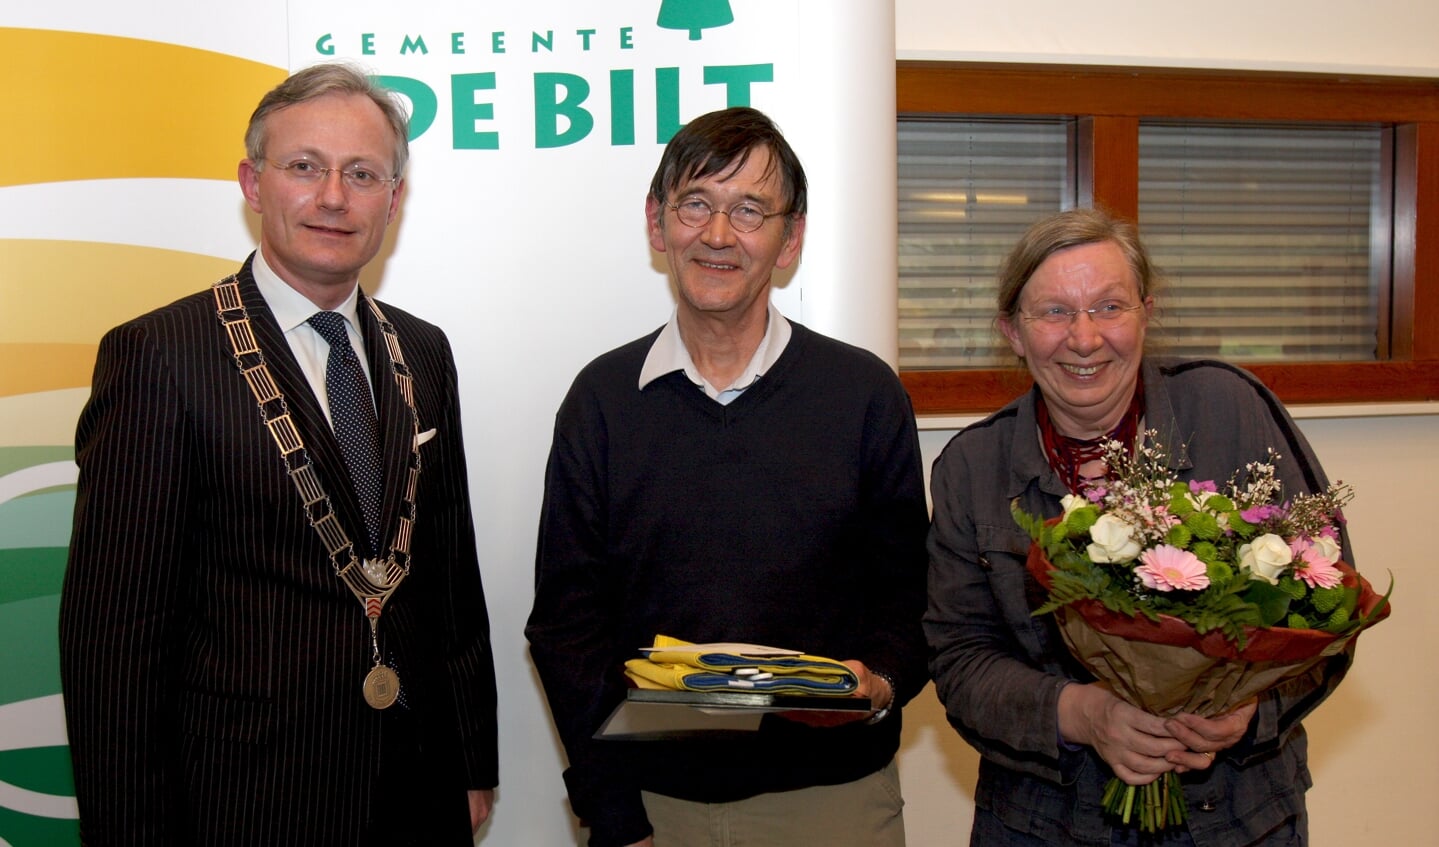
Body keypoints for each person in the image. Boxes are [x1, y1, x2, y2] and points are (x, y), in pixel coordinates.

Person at [59, 63, 498, 846]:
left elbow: (450, 583)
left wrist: (471, 763)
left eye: (362, 174)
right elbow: (113, 643)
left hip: (415, 791)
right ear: (252, 184)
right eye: (305, 167)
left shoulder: (423, 352)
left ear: (393, 201)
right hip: (243, 802)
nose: (334, 196)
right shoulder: (160, 355)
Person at [525, 106, 930, 847]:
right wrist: (612, 814)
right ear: (657, 225)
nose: (718, 234)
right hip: (652, 804)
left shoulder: (864, 394)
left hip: (833, 801)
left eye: (749, 210)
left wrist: (878, 678)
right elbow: (566, 628)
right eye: (696, 205)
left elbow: (910, 592)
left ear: (790, 238)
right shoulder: (602, 401)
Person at [924, 208, 1356, 846]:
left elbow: (1326, 605)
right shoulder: (973, 468)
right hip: (1044, 825)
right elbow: (960, 660)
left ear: (1146, 312)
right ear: (1012, 332)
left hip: (1237, 820)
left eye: (1109, 307)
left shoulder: (1228, 408)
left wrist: (1247, 711)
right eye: (1053, 312)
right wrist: (1083, 714)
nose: (1084, 337)